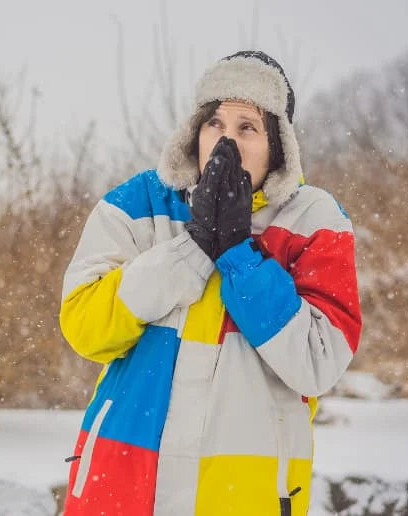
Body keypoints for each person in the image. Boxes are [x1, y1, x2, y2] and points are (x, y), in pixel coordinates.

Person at [58, 50, 361, 516]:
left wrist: (238, 256)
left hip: (245, 497)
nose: (226, 142)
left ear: (278, 145)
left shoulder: (315, 220)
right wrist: (193, 248)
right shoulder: (139, 202)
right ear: (194, 132)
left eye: (248, 128)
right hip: (122, 487)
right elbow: (84, 327)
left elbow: (317, 364)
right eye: (215, 123)